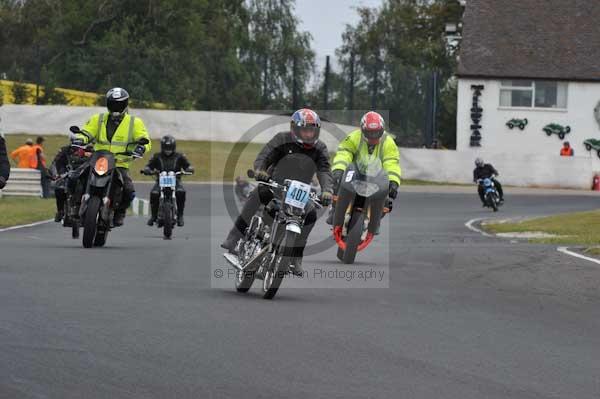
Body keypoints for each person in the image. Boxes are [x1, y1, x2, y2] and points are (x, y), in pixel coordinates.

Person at [220, 109, 334, 276]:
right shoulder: (282, 139)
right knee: (258, 194)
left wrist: (327, 191)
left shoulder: (320, 148)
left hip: (299, 193)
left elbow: (324, 171)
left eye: (312, 130)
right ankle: (233, 238)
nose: (309, 134)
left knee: (310, 215)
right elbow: (265, 156)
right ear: (295, 128)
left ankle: (295, 258)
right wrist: (261, 170)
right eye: (305, 129)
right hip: (275, 185)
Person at [74, 87, 151, 226]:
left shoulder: (135, 122)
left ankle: (120, 212)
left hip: (119, 163)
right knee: (76, 177)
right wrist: (80, 139)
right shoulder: (98, 119)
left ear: (125, 104)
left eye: (119, 104)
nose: (116, 107)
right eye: (113, 104)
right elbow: (86, 132)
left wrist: (141, 147)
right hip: (96, 160)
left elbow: (145, 139)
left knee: (128, 189)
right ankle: (74, 205)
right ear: (108, 104)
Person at [327, 111, 401, 224]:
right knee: (338, 185)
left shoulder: (389, 142)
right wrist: (338, 170)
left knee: (387, 201)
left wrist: (393, 182)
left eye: (377, 133)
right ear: (362, 130)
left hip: (376, 176)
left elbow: (391, 162)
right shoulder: (353, 137)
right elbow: (344, 154)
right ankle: (335, 209)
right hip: (355, 172)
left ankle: (375, 220)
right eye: (370, 133)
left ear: (382, 130)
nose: (373, 136)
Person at [142, 135, 193, 227]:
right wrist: (147, 170)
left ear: (174, 147)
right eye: (166, 148)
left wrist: (189, 169)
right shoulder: (156, 156)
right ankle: (153, 216)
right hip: (160, 180)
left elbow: (188, 165)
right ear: (162, 147)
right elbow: (149, 165)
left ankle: (180, 215)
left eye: (169, 148)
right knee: (154, 193)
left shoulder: (180, 156)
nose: (168, 150)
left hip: (175, 180)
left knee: (181, 192)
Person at [50, 136, 91, 223]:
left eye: (81, 143)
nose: (78, 147)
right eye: (76, 144)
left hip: (86, 176)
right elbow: (57, 162)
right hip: (69, 173)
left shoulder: (91, 151)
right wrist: (60, 174)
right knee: (59, 189)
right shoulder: (65, 150)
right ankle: (60, 211)